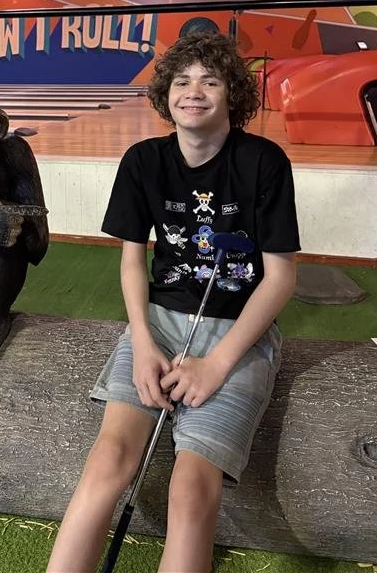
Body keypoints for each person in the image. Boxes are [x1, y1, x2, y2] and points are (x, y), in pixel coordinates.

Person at [46, 31, 300, 573]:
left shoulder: (264, 161)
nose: (194, 92)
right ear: (166, 95)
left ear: (233, 93)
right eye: (182, 81)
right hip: (159, 324)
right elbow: (131, 262)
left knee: (190, 489)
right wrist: (142, 343)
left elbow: (280, 278)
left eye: (211, 81)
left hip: (237, 332)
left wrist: (217, 364)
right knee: (109, 460)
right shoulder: (142, 161)